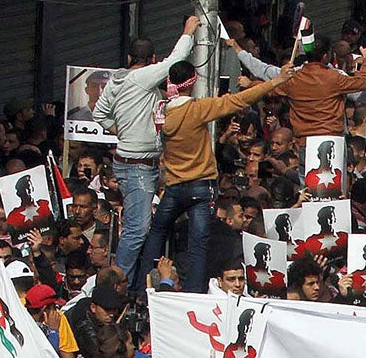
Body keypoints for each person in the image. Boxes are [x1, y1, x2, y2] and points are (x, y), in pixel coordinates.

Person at [138, 56, 293, 294]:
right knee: (198, 244)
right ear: (191, 83)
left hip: (174, 186)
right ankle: (193, 293)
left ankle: (142, 286)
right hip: (200, 187)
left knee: (157, 233)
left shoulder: (161, 112)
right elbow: (240, 99)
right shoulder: (198, 109)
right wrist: (277, 81)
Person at [92, 17, 200, 278]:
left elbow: (99, 114)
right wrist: (188, 31)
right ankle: (118, 280)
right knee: (137, 229)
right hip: (138, 167)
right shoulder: (143, 77)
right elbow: (176, 59)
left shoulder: (116, 81)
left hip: (135, 163)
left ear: (129, 57)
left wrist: (121, 131)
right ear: (152, 59)